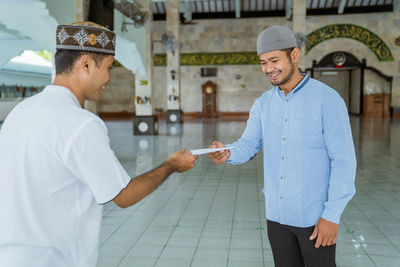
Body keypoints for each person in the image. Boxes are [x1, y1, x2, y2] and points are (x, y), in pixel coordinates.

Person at [0, 22, 198, 267]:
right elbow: (124, 195)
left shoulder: (21, 111)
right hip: (51, 259)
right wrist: (172, 165)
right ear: (85, 64)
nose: (109, 78)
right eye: (108, 68)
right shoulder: (80, 123)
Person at [208, 25, 356, 267]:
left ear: (294, 55)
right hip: (276, 216)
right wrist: (228, 152)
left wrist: (332, 214)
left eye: (274, 60)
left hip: (315, 218)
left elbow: (343, 161)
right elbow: (248, 144)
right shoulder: (263, 104)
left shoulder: (327, 100)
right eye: (263, 62)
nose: (269, 69)